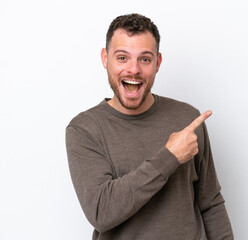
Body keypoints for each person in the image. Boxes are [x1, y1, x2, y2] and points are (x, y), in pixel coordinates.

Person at [66, 13, 234, 240]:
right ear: (105, 59)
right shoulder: (84, 129)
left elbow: (210, 203)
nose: (133, 70)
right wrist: (170, 156)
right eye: (122, 58)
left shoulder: (187, 118)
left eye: (144, 59)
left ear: (158, 62)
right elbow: (101, 212)